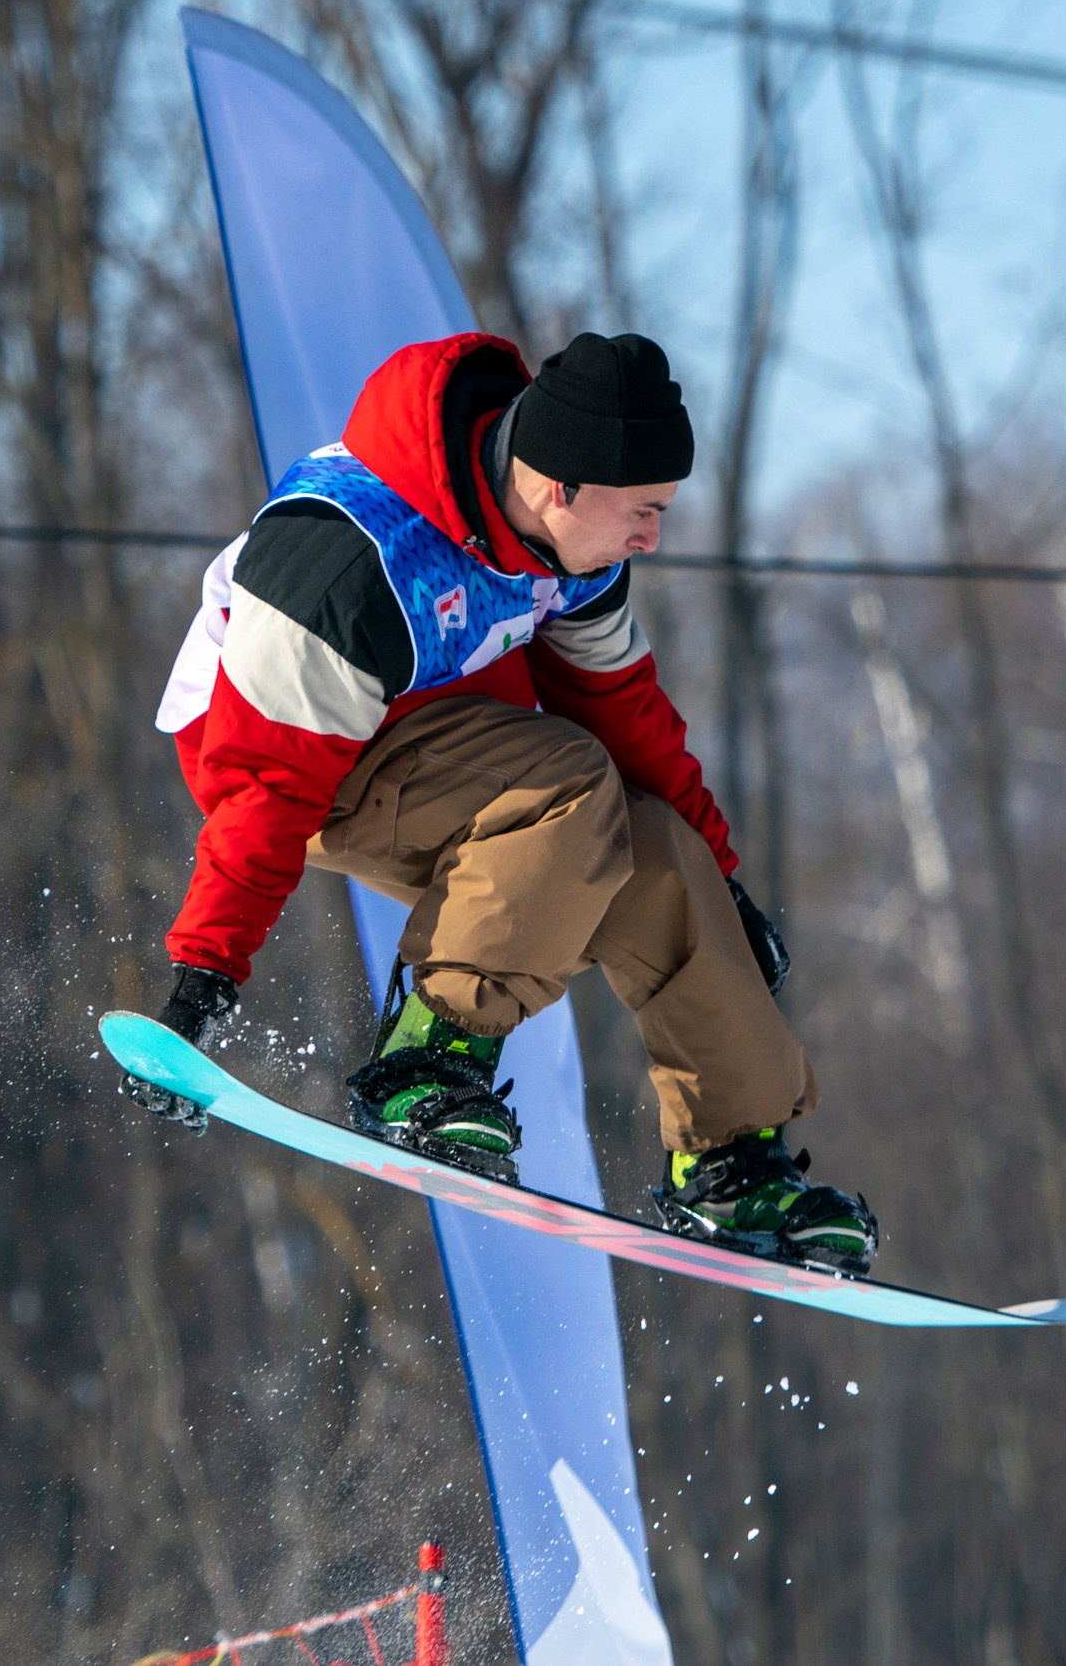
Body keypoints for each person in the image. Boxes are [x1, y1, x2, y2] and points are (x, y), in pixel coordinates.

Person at [129, 331, 877, 1273]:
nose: (652, 536)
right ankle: (427, 1057)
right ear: (562, 485)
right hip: (286, 752)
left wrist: (723, 881)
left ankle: (728, 1159)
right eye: (644, 511)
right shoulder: (350, 556)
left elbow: (629, 716)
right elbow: (264, 783)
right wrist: (206, 972)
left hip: (446, 737)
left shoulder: (578, 552)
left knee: (656, 850)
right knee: (571, 785)